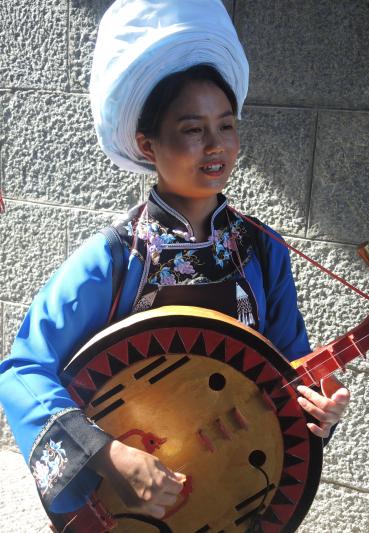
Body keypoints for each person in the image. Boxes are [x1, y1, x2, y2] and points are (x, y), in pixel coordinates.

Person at [0, 0, 350, 529]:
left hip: (228, 499)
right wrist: (109, 454)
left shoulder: (263, 250)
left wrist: (321, 409)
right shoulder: (115, 255)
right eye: (192, 129)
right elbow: (22, 371)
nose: (216, 147)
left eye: (227, 126)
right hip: (129, 509)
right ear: (147, 143)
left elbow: (291, 366)